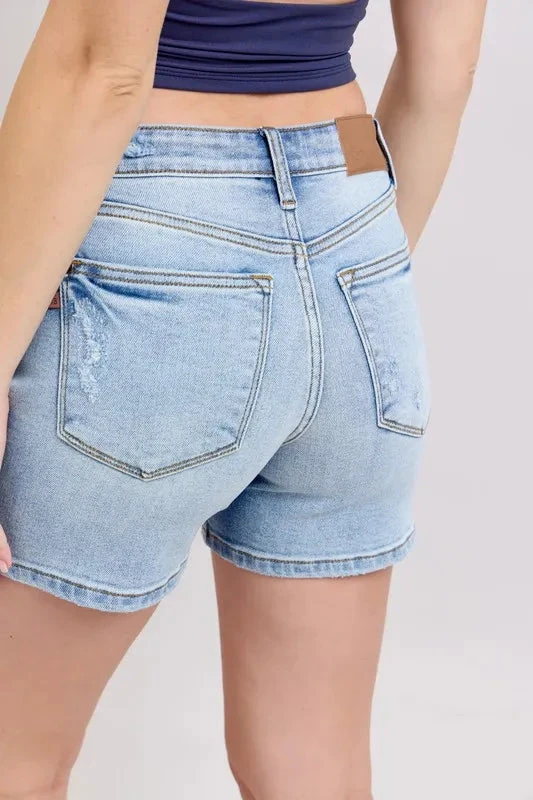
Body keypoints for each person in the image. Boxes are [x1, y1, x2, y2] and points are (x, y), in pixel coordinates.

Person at [0, 0, 486, 797]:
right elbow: (443, 73)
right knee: (312, 772)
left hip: (157, 221)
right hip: (356, 217)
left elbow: (102, 68)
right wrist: (350, 273)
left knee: (13, 761)